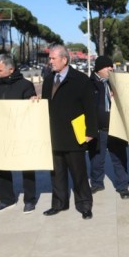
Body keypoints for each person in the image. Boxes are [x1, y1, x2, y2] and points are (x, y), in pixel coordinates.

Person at [40, 44, 97, 220]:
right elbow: (46, 105)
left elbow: (91, 108)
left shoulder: (80, 79)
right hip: (54, 135)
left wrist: (91, 131)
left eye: (53, 58)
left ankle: (85, 205)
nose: (50, 62)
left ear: (64, 59)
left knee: (79, 174)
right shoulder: (49, 79)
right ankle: (59, 203)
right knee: (57, 174)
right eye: (50, 58)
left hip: (74, 136)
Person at [0, 54, 37, 213]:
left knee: (27, 166)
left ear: (11, 69)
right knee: (1, 167)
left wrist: (34, 101)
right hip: (0, 134)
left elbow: (32, 109)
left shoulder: (25, 85)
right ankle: (6, 200)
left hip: (20, 134)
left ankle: (29, 200)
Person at [88, 56, 129, 200]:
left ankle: (123, 186)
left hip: (116, 128)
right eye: (107, 67)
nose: (111, 69)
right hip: (98, 129)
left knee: (119, 158)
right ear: (99, 69)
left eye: (111, 66)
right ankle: (97, 183)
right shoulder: (89, 84)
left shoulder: (117, 83)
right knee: (96, 159)